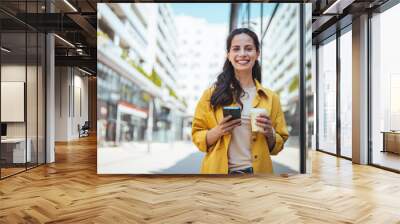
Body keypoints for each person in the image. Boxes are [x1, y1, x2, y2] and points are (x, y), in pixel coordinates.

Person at [191, 28, 289, 174]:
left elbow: (278, 145)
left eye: (248, 49)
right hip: (218, 174)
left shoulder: (271, 98)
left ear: (257, 54)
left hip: (258, 175)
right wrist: (218, 131)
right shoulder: (211, 94)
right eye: (236, 49)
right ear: (228, 55)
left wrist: (270, 133)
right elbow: (197, 135)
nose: (242, 54)